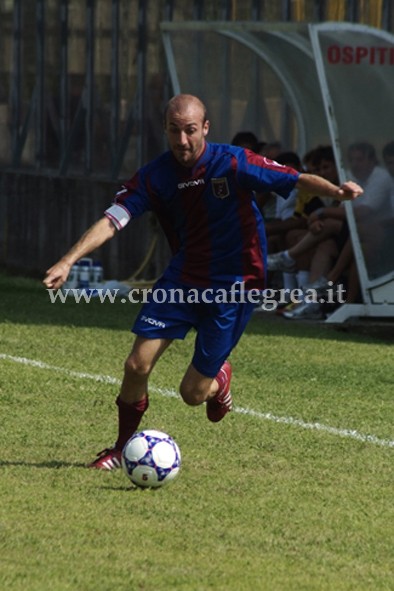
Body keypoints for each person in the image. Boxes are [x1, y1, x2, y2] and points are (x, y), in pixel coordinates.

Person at [43, 94, 363, 470]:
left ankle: (217, 381)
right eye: (174, 131)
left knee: (192, 394)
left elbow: (294, 178)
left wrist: (337, 192)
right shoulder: (154, 176)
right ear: (165, 129)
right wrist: (67, 260)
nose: (182, 141)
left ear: (205, 128)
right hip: (184, 278)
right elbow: (113, 219)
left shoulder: (232, 161)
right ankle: (120, 447)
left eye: (190, 131)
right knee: (136, 365)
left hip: (236, 284)